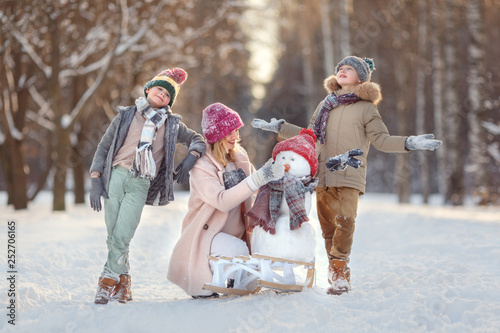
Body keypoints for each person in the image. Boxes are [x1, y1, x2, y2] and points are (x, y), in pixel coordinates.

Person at [252, 56, 442, 295]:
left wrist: (409, 143)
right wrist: (281, 128)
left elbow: (382, 140)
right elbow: (310, 135)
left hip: (349, 173)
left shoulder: (366, 108)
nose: (342, 71)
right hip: (322, 175)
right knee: (328, 228)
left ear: (360, 77)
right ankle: (335, 274)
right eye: (340, 68)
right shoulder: (326, 104)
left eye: (349, 68)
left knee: (347, 221)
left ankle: (340, 269)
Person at [89, 68, 206, 304]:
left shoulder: (172, 125)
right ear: (148, 89)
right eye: (159, 89)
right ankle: (125, 284)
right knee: (113, 236)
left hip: (141, 182)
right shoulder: (125, 115)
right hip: (116, 177)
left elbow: (198, 139)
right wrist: (95, 178)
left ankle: (107, 280)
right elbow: (103, 147)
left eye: (167, 95)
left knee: (122, 235)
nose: (162, 95)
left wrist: (191, 156)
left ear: (170, 102)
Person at [167, 102, 285, 298]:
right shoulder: (201, 165)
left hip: (237, 234)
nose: (235, 136)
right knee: (236, 249)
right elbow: (222, 200)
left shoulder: (238, 156)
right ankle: (210, 274)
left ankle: (233, 274)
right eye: (230, 132)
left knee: (249, 279)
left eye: (236, 130)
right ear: (217, 135)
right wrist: (257, 178)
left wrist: (274, 176)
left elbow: (254, 187)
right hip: (208, 235)